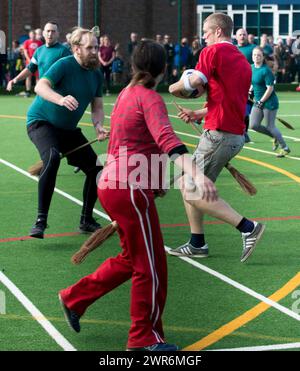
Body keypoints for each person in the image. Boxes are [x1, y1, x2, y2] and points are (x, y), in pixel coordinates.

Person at [58, 39, 218, 352]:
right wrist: (197, 174)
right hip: (128, 189)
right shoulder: (149, 98)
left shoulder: (126, 94)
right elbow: (167, 141)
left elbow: (131, 144)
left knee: (134, 259)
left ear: (133, 66)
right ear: (164, 69)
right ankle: (143, 337)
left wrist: (152, 185)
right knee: (152, 266)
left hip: (115, 185)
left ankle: (75, 298)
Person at [168, 13, 265, 261]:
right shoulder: (242, 62)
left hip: (219, 136)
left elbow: (194, 82)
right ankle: (197, 243)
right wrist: (198, 113)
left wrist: (174, 87)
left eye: (206, 32)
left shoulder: (211, 53)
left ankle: (248, 227)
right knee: (190, 184)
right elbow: (227, 102)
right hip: (232, 135)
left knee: (188, 187)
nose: (204, 36)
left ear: (218, 31)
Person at [26, 27, 108, 239]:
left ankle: (86, 219)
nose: (94, 51)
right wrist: (60, 99)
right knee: (52, 156)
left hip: (68, 130)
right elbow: (40, 87)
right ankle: (40, 220)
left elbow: (97, 107)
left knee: (97, 168)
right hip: (41, 122)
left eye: (96, 47)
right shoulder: (64, 65)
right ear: (76, 48)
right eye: (90, 47)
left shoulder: (97, 74)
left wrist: (98, 125)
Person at [7, 22, 71, 93]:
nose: (50, 34)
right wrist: (15, 79)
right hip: (42, 93)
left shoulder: (64, 51)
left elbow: (72, 73)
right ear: (43, 33)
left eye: (53, 31)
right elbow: (30, 68)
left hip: (58, 94)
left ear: (58, 34)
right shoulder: (39, 50)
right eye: (48, 31)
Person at [249, 47, 291, 158]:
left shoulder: (266, 71)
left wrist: (261, 101)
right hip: (258, 101)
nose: (256, 57)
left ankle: (285, 147)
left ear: (263, 57)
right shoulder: (251, 68)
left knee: (270, 126)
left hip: (269, 102)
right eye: (254, 55)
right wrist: (250, 90)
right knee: (253, 125)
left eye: (258, 55)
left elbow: (270, 88)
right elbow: (254, 82)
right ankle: (274, 137)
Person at [235, 28, 256, 143]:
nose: (242, 36)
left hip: (250, 85)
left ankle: (245, 132)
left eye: (244, 34)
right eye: (240, 35)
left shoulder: (253, 49)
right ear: (236, 37)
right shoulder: (232, 49)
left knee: (246, 110)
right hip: (235, 85)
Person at [22, 30, 43, 96]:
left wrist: (38, 60)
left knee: (38, 77)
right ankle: (28, 91)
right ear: (29, 35)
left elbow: (41, 52)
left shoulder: (39, 42)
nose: (33, 35)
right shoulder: (26, 42)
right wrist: (29, 60)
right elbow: (25, 52)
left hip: (38, 62)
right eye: (31, 34)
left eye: (34, 34)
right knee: (28, 77)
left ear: (35, 35)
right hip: (29, 62)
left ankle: (38, 92)